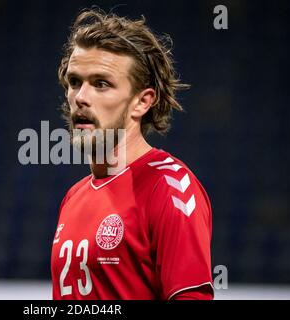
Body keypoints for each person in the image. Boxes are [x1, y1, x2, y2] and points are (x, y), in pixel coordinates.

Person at [50, 9, 214, 300]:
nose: (81, 97)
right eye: (75, 82)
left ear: (142, 102)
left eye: (101, 84)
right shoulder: (73, 197)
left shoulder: (170, 187)